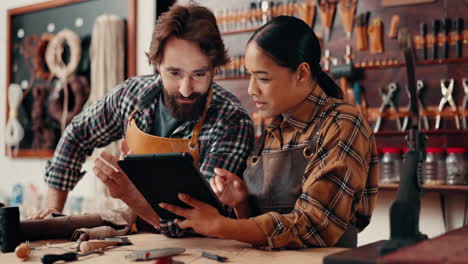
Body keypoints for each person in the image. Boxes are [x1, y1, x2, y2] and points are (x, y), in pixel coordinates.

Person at [159, 16, 379, 249]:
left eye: (263, 78)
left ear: (302, 73)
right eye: (250, 75)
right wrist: (242, 202)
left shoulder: (342, 123)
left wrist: (220, 226)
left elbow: (315, 226)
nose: (252, 89)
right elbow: (260, 233)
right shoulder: (274, 129)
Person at [33, 4, 255, 237]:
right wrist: (53, 209)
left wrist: (129, 194)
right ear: (157, 63)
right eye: (175, 73)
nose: (186, 89)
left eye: (199, 74)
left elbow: (196, 225)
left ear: (214, 68)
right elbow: (76, 134)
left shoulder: (232, 121)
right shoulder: (132, 97)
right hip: (136, 235)